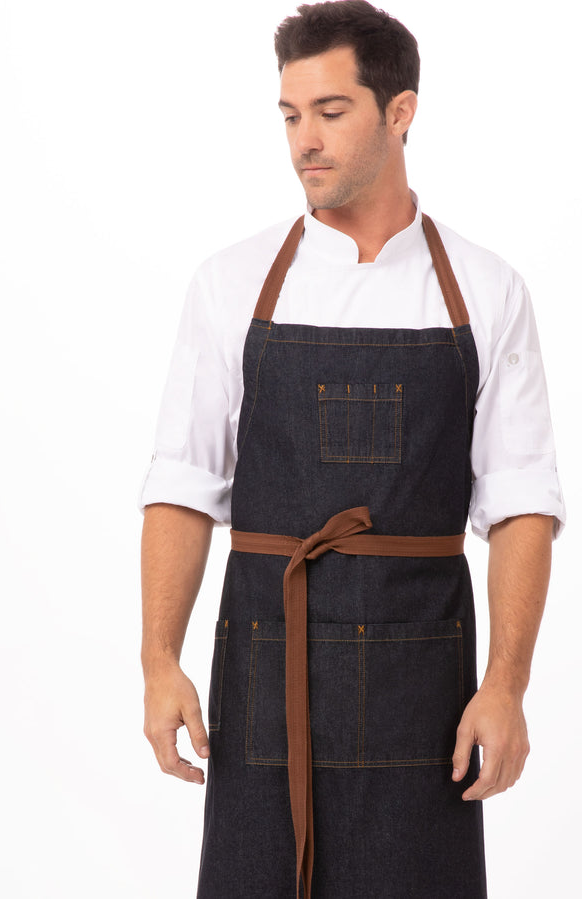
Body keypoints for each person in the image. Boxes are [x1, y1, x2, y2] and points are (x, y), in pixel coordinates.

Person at [139, 2, 565, 896]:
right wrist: (159, 661)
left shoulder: (487, 290)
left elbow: (522, 501)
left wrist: (506, 686)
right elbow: (183, 483)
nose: (306, 140)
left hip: (425, 692)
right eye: (291, 115)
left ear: (400, 112)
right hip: (266, 671)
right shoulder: (230, 284)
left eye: (331, 112)